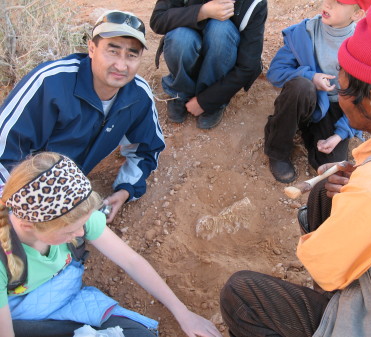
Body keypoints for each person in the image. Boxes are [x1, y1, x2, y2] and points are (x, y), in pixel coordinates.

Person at [220, 4, 371, 337]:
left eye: (342, 87)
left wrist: (355, 201)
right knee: (323, 195)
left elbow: (323, 268)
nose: (339, 96)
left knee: (241, 294)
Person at [0, 152, 222, 337]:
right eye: (69, 232)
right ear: (28, 225)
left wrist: (183, 313)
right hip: (20, 318)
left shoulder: (76, 215)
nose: (80, 233)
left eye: (83, 225)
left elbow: (131, 261)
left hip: (69, 300)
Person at [0, 10, 165, 223]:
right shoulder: (50, 83)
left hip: (69, 191)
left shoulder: (138, 96)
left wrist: (125, 190)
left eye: (131, 55)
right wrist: (33, 207)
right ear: (92, 48)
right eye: (112, 51)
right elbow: (4, 153)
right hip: (24, 193)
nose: (121, 65)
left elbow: (146, 149)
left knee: (80, 239)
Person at [264, 0, 371, 183]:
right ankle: (278, 150)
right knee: (301, 86)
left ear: (357, 15)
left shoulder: (364, 47)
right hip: (305, 97)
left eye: (338, 2)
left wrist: (340, 134)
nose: (328, 4)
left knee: (329, 169)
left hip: (337, 109)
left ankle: (307, 131)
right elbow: (275, 72)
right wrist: (310, 76)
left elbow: (363, 99)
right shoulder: (304, 33)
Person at [150, 0, 268, 129]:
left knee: (221, 30)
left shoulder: (254, 4)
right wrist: (202, 12)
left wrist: (207, 101)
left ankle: (213, 99)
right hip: (188, 53)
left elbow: (248, 66)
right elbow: (158, 20)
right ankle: (180, 91)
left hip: (222, 67)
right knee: (181, 37)